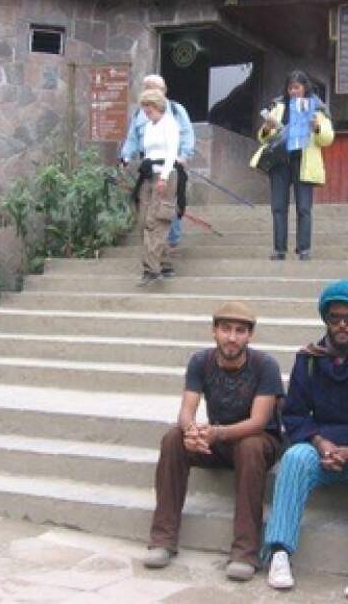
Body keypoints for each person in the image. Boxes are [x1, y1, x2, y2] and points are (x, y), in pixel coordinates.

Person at [264, 280, 348, 599]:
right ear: (325, 318)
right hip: (321, 447)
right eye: (335, 317)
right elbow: (295, 414)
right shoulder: (309, 359)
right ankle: (280, 552)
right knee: (295, 457)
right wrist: (321, 444)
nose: (342, 325)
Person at [144, 301, 284, 581]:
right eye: (226, 329)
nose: (232, 337)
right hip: (219, 440)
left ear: (250, 335)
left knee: (250, 445)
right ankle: (163, 540)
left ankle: (245, 551)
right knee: (173, 438)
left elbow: (258, 421)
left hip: (259, 442)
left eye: (240, 331)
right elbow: (186, 410)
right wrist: (191, 432)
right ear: (214, 331)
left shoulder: (264, 365)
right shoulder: (200, 361)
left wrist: (216, 433)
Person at [251, 70, 334, 261]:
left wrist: (317, 128)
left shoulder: (316, 107)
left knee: (304, 208)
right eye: (290, 88)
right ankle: (279, 249)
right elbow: (262, 137)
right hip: (280, 162)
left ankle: (304, 249)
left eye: (297, 87)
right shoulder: (279, 106)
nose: (293, 91)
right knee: (278, 207)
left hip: (303, 161)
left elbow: (328, 138)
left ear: (305, 87)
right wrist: (267, 128)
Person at [120, 74, 195, 248]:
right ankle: (153, 247)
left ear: (163, 91)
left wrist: (184, 155)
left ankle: (170, 244)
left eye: (157, 88)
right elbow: (132, 138)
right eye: (149, 88)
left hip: (171, 166)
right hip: (147, 168)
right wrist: (125, 156)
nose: (153, 92)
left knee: (167, 206)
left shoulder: (176, 110)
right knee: (148, 207)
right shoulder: (140, 114)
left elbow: (187, 134)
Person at [132, 88, 180, 285]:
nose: (146, 112)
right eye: (144, 108)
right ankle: (164, 263)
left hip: (164, 175)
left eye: (148, 108)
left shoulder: (169, 124)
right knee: (144, 219)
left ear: (158, 106)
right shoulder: (150, 126)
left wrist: (165, 177)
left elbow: (171, 153)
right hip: (149, 175)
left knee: (157, 220)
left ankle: (151, 268)